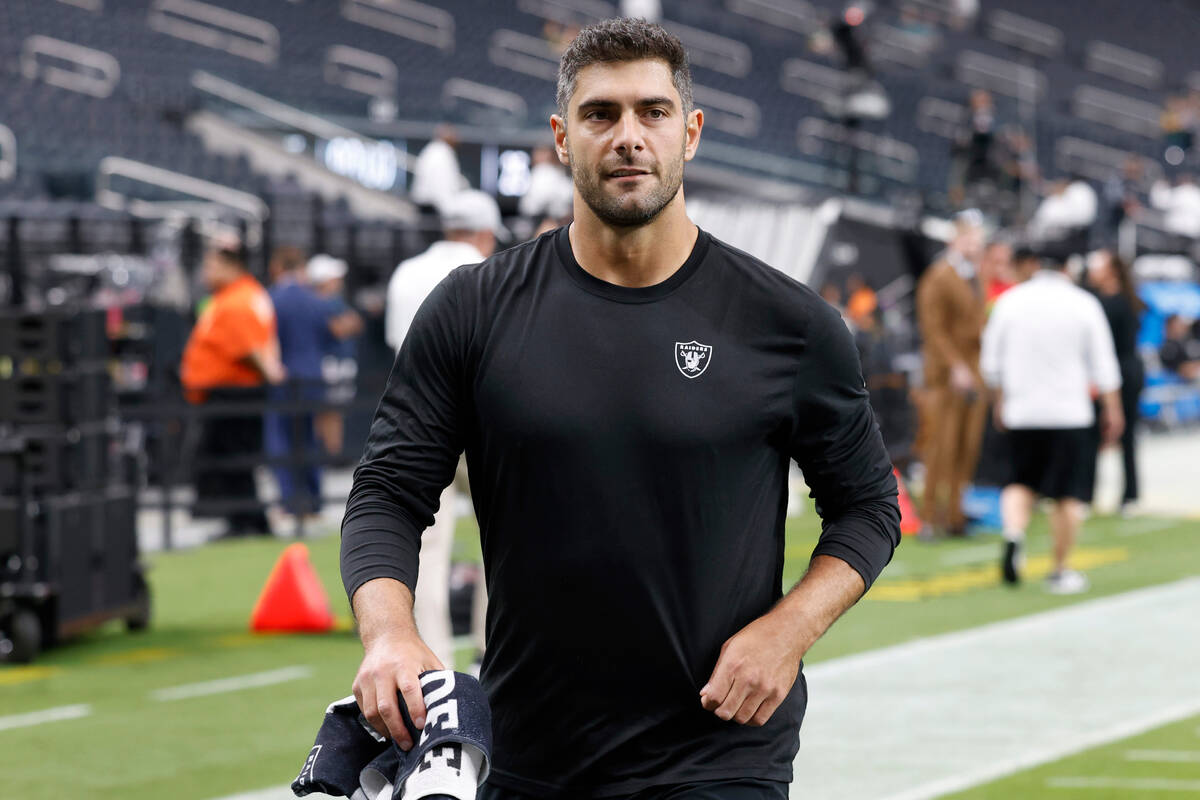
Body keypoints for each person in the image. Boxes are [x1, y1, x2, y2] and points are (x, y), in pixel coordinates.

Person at [342, 19, 900, 799]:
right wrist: (390, 634)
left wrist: (787, 631)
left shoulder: (789, 324)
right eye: (601, 114)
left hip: (720, 753)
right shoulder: (472, 310)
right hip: (528, 754)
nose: (628, 136)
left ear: (691, 132)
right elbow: (387, 495)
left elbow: (869, 507)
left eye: (653, 112)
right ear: (562, 138)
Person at [383, 189, 505, 671]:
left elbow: (400, 353)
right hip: (486, 422)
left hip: (421, 424)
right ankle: (487, 651)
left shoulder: (406, 273)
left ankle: (430, 661)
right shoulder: (497, 276)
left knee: (425, 548)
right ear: (485, 232)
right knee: (504, 539)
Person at [981, 251, 1123, 594]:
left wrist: (1001, 401)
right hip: (1069, 413)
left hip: (1022, 411)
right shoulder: (1083, 303)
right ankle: (1060, 570)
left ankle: (1014, 535)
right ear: (1068, 266)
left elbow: (990, 364)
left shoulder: (1010, 302)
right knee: (1068, 494)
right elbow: (1104, 365)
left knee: (1019, 482)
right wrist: (1113, 410)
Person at [180, 240, 284, 538]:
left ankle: (247, 522)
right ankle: (245, 520)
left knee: (236, 459)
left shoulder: (238, 299)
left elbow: (249, 348)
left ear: (232, 266)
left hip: (234, 392)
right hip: (229, 392)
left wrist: (268, 373)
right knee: (234, 460)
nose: (206, 272)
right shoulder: (238, 295)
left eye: (212, 265)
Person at [915, 212, 987, 536]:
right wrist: (955, 366)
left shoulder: (975, 276)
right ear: (954, 240)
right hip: (947, 375)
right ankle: (930, 516)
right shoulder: (938, 276)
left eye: (977, 240)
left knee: (966, 447)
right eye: (969, 239)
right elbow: (934, 330)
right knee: (940, 446)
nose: (974, 245)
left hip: (974, 371)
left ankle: (955, 514)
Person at [1085, 249, 1145, 513]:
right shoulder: (1095, 299)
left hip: (1123, 373)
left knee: (1126, 434)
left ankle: (1129, 495)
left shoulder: (1121, 301)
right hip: (1106, 371)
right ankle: (1086, 493)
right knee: (1091, 434)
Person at [307, 254, 363, 460]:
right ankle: (327, 455)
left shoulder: (336, 301)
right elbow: (339, 329)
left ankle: (332, 455)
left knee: (335, 412)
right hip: (328, 364)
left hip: (339, 363)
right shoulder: (318, 302)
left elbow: (356, 323)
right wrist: (345, 324)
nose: (338, 282)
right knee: (325, 411)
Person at [410, 124, 468, 212]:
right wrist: (448, 208)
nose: (456, 138)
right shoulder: (441, 153)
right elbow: (441, 184)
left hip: (427, 203)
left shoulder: (433, 149)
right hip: (432, 206)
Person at [518, 145, 574, 222]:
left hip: (547, 219)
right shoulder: (551, 171)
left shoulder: (543, 171)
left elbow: (533, 205)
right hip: (553, 219)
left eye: (543, 152)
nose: (537, 156)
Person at [1159, 314, 1200, 380]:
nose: (1179, 327)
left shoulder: (1193, 335)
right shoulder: (1167, 349)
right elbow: (1182, 370)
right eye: (1174, 325)